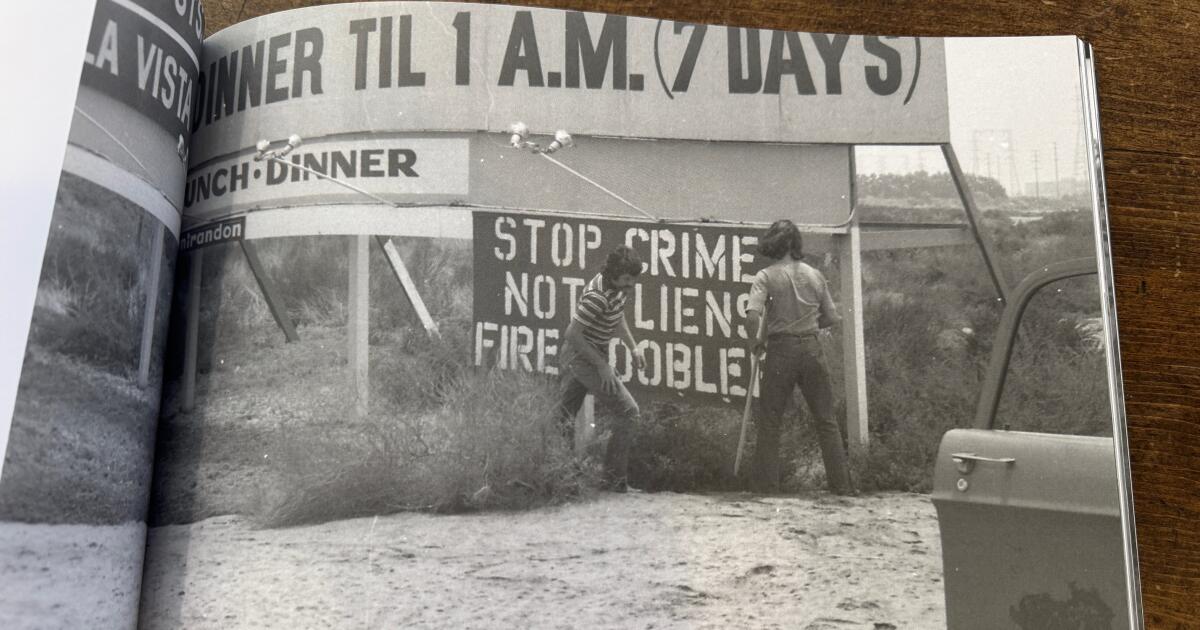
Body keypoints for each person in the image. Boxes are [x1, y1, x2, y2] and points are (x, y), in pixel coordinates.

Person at [745, 219, 854, 496]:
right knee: (826, 419)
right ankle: (841, 486)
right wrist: (809, 326)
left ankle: (767, 488)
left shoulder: (766, 276)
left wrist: (755, 341)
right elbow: (832, 317)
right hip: (811, 349)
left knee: (771, 420)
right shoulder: (815, 275)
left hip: (781, 350)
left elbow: (753, 315)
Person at [554, 245, 646, 492]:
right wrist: (603, 366)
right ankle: (611, 481)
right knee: (628, 411)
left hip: (591, 355)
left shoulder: (617, 290)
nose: (630, 285)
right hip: (580, 357)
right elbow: (572, 334)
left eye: (633, 279)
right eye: (626, 279)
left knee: (562, 417)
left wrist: (633, 347)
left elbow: (617, 315)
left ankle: (565, 478)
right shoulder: (597, 296)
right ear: (613, 275)